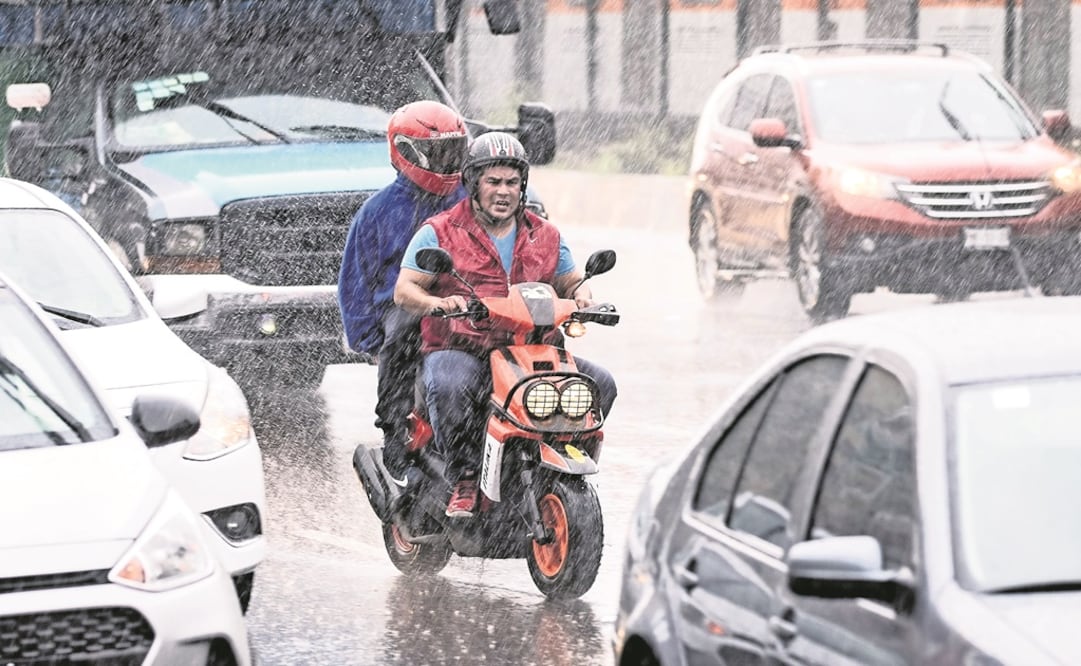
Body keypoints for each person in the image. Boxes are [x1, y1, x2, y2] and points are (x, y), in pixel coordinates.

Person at [394, 131, 618, 518]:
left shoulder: (545, 235)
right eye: (493, 181)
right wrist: (438, 303)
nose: (503, 192)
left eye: (512, 182)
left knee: (600, 384)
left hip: (532, 350)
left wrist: (583, 298)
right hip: (464, 348)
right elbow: (405, 289)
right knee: (450, 385)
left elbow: (571, 282)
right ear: (473, 183)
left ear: (523, 185)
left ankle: (555, 465)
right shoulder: (440, 231)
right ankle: (464, 476)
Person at [337, 100, 468, 483]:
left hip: (466, 300)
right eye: (438, 153)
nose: (447, 163)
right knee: (404, 332)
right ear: (406, 152)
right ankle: (396, 436)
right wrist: (369, 339)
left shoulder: (472, 198)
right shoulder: (377, 212)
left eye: (453, 152)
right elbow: (354, 282)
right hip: (404, 308)